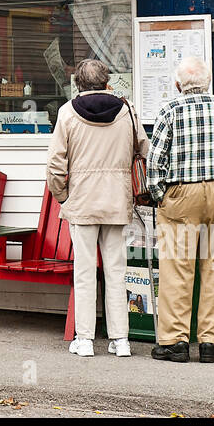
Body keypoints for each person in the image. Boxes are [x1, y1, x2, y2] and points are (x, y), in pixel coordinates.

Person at [145, 55, 214, 363]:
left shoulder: (170, 110)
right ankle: (210, 343)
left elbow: (154, 160)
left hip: (182, 194)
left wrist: (158, 194)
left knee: (178, 268)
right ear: (207, 83)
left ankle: (176, 343)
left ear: (178, 85)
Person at [46, 58, 149, 358]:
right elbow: (143, 147)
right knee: (117, 271)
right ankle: (121, 341)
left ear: (78, 83)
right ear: (107, 82)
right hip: (117, 201)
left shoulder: (67, 113)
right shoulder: (127, 111)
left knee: (84, 271)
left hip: (82, 202)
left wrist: (62, 196)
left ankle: (86, 339)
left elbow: (55, 164)